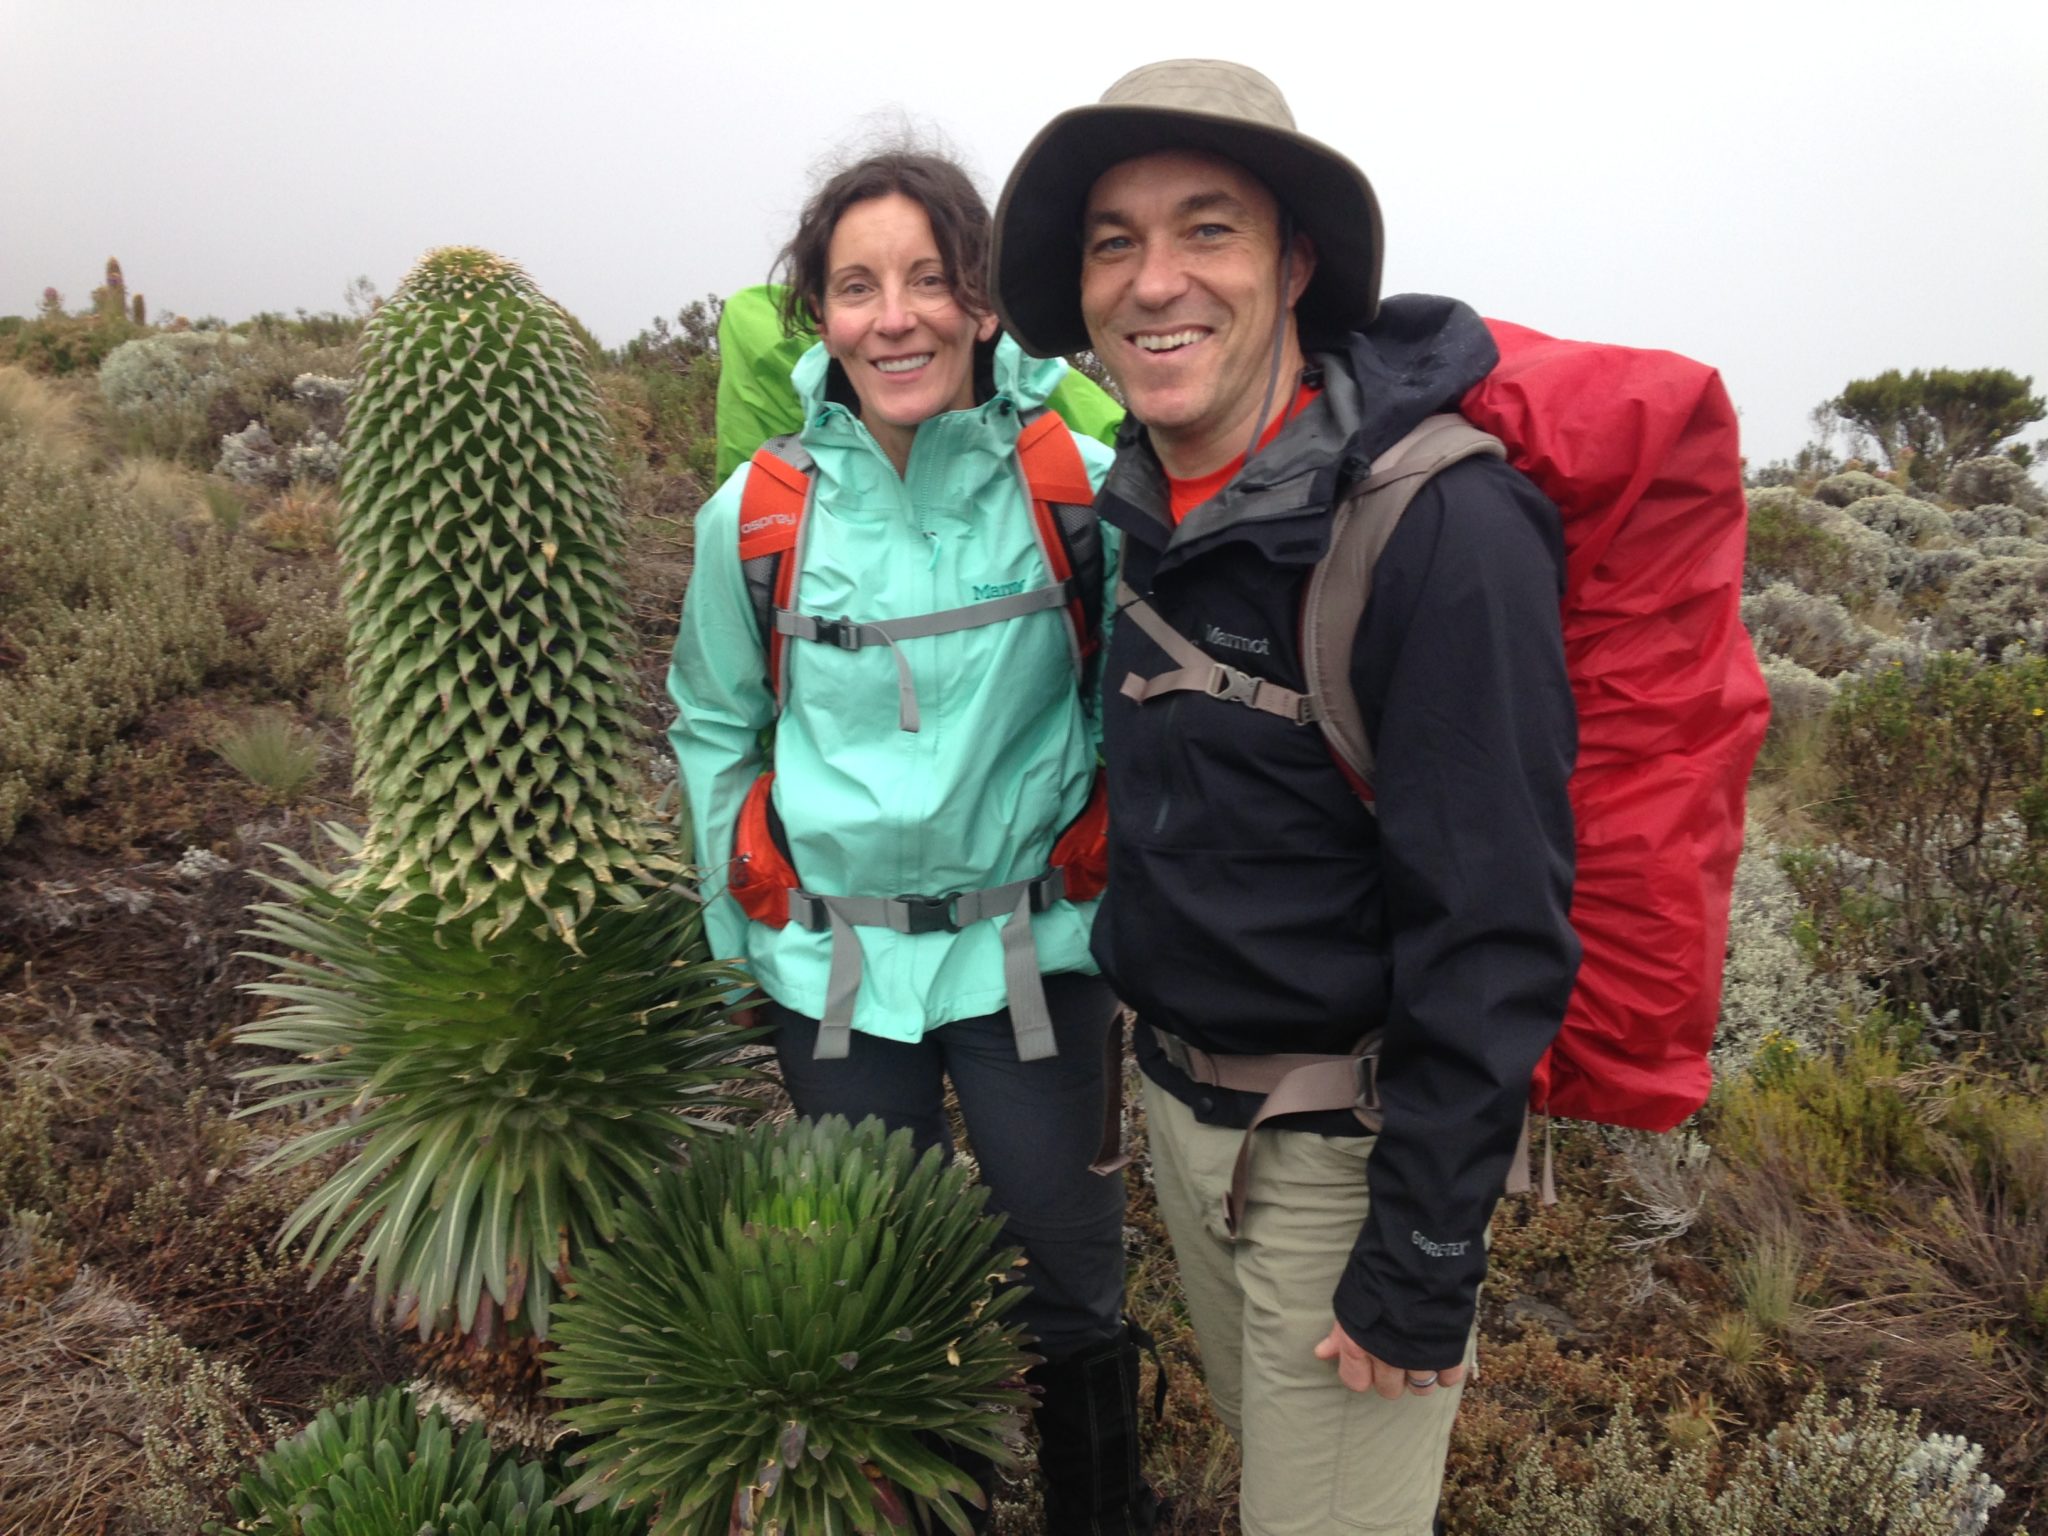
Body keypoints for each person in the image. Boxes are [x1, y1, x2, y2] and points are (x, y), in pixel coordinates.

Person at [991, 61, 1581, 1535]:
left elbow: (1495, 926)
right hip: (1188, 1128)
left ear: (1296, 264)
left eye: (1209, 230)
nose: (1153, 280)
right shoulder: (1153, 497)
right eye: (1114, 241)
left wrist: (1427, 1253)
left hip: (1342, 1161)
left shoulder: (1441, 531)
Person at [666, 148, 1161, 1533]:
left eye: (932, 281)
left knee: (1069, 1282)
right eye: (857, 286)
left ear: (987, 305)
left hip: (1034, 963)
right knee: (872, 1293)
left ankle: (1098, 1513)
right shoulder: (753, 519)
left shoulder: (1082, 486)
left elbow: (1140, 711)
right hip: (831, 976)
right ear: (815, 317)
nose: (897, 318)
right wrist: (736, 929)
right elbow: (713, 723)